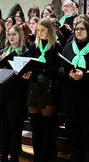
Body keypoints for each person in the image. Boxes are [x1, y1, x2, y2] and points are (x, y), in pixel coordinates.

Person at [59, 18, 89, 162]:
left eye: (82, 29)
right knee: (72, 130)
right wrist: (68, 73)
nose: (78, 31)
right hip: (70, 94)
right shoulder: (67, 48)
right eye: (76, 29)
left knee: (87, 131)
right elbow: (60, 68)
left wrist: (83, 75)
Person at [24, 17, 63, 162]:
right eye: (38, 30)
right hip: (34, 88)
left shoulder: (56, 47)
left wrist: (45, 68)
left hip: (49, 88)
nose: (40, 33)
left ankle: (49, 157)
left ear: (50, 30)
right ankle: (38, 157)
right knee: (35, 127)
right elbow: (27, 65)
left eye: (43, 30)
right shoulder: (33, 47)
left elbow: (59, 69)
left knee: (47, 127)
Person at [0, 25, 29, 162]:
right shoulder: (3, 51)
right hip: (1, 92)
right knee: (2, 126)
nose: (11, 37)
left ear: (20, 36)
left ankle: (14, 155)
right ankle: (3, 154)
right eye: (9, 34)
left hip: (16, 93)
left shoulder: (25, 52)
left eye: (14, 34)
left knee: (14, 126)